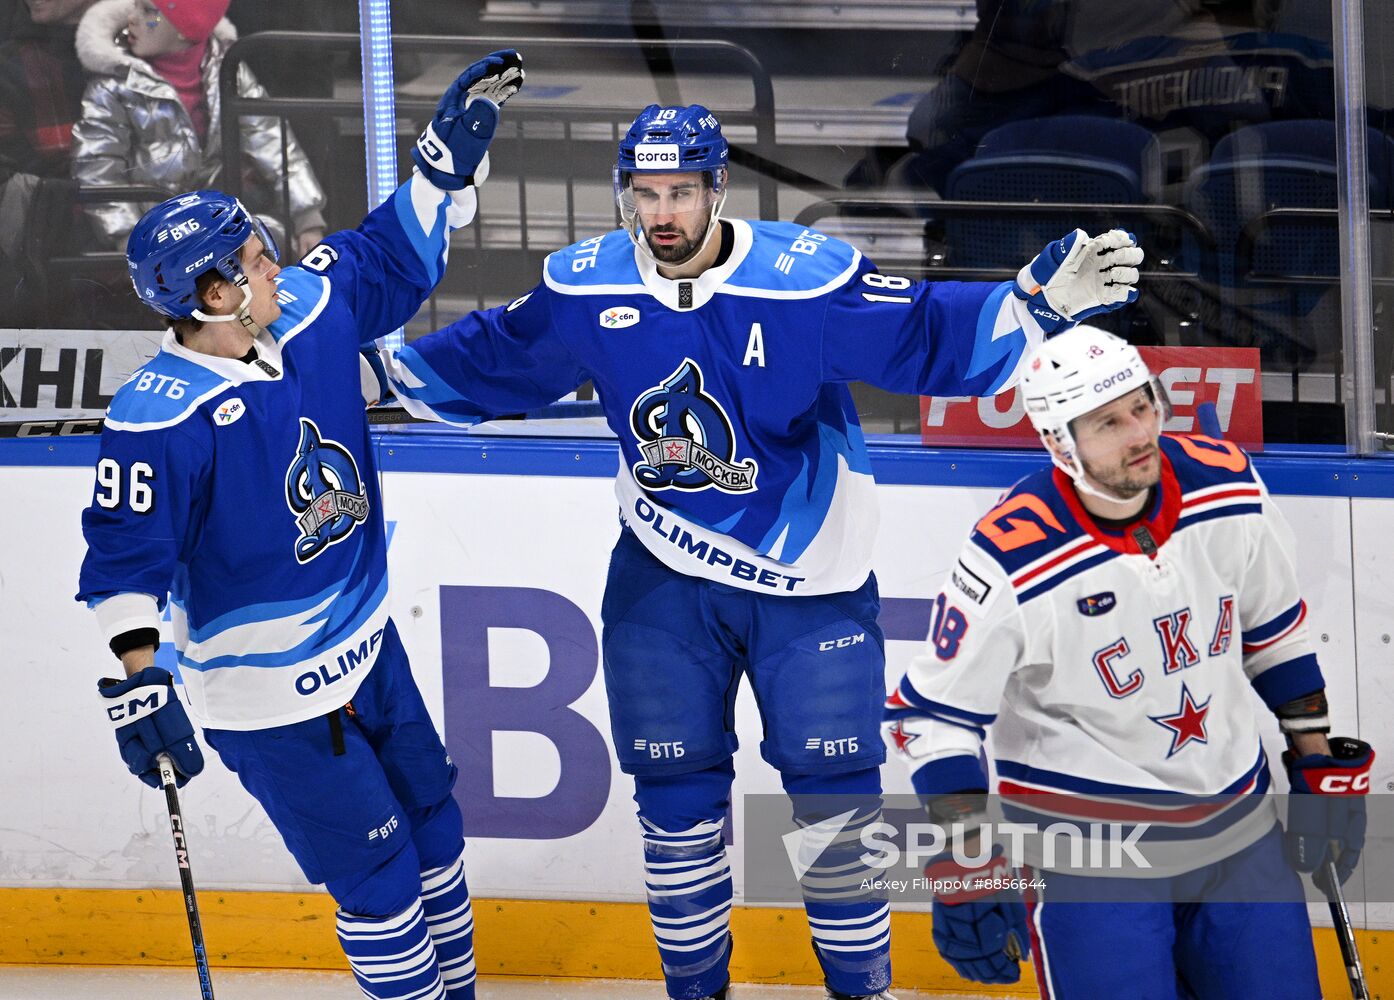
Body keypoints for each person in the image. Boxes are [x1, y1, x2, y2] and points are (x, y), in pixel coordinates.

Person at [371, 104, 1144, 1000]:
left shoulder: (802, 280)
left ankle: (861, 991)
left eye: (680, 193)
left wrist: (1034, 305)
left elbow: (928, 335)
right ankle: (696, 993)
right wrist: (332, 376)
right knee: (674, 814)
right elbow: (488, 357)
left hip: (810, 594)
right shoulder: (586, 286)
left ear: (718, 189)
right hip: (662, 584)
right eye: (645, 193)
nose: (661, 214)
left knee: (835, 815)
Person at [77, 51, 524, 1000]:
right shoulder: (158, 417)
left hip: (367, 650)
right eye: (253, 259)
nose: (275, 261)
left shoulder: (310, 310)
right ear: (214, 296)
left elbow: (385, 258)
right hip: (270, 701)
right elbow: (125, 563)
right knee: (380, 878)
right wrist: (138, 682)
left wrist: (441, 168)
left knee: (436, 831)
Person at [883, 326, 1372, 998]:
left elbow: (1274, 631)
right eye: (1108, 423)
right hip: (1092, 860)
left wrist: (1315, 760)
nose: (1139, 432)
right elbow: (934, 717)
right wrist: (968, 859)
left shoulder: (1226, 487)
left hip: (1238, 832)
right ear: (1059, 441)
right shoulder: (1012, 557)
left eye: (1142, 407)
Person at [71, 0, 326, 254]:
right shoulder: (114, 83)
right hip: (153, 231)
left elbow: (271, 140)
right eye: (135, 6)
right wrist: (127, 235)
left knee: (272, 240)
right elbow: (97, 164)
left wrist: (306, 216)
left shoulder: (228, 70)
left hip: (216, 219)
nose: (133, 18)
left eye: (149, 11)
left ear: (185, 28)